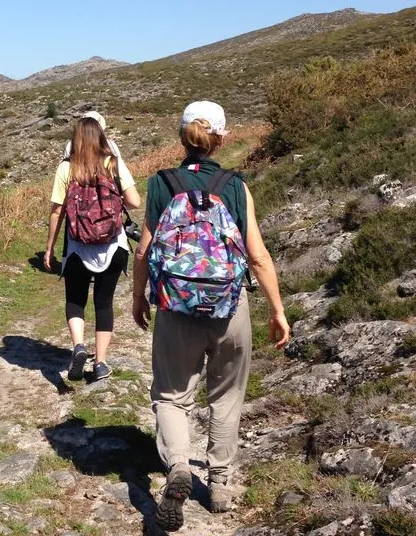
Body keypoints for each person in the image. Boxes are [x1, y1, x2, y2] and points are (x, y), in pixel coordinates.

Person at [131, 101, 290, 531]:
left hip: (176, 307)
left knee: (170, 396)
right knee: (226, 396)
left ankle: (179, 467)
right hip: (229, 308)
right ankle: (219, 484)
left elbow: (145, 249)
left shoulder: (161, 183)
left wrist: (138, 297)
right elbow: (256, 255)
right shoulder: (235, 185)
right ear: (221, 138)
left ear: (182, 136)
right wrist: (276, 310)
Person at [45, 117, 141, 382]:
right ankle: (100, 363)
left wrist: (50, 247)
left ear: (75, 138)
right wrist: (114, 205)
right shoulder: (113, 163)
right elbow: (134, 201)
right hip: (113, 245)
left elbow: (57, 212)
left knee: (75, 300)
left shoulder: (66, 168)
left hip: (77, 247)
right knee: (104, 303)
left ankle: (78, 346)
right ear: (101, 136)